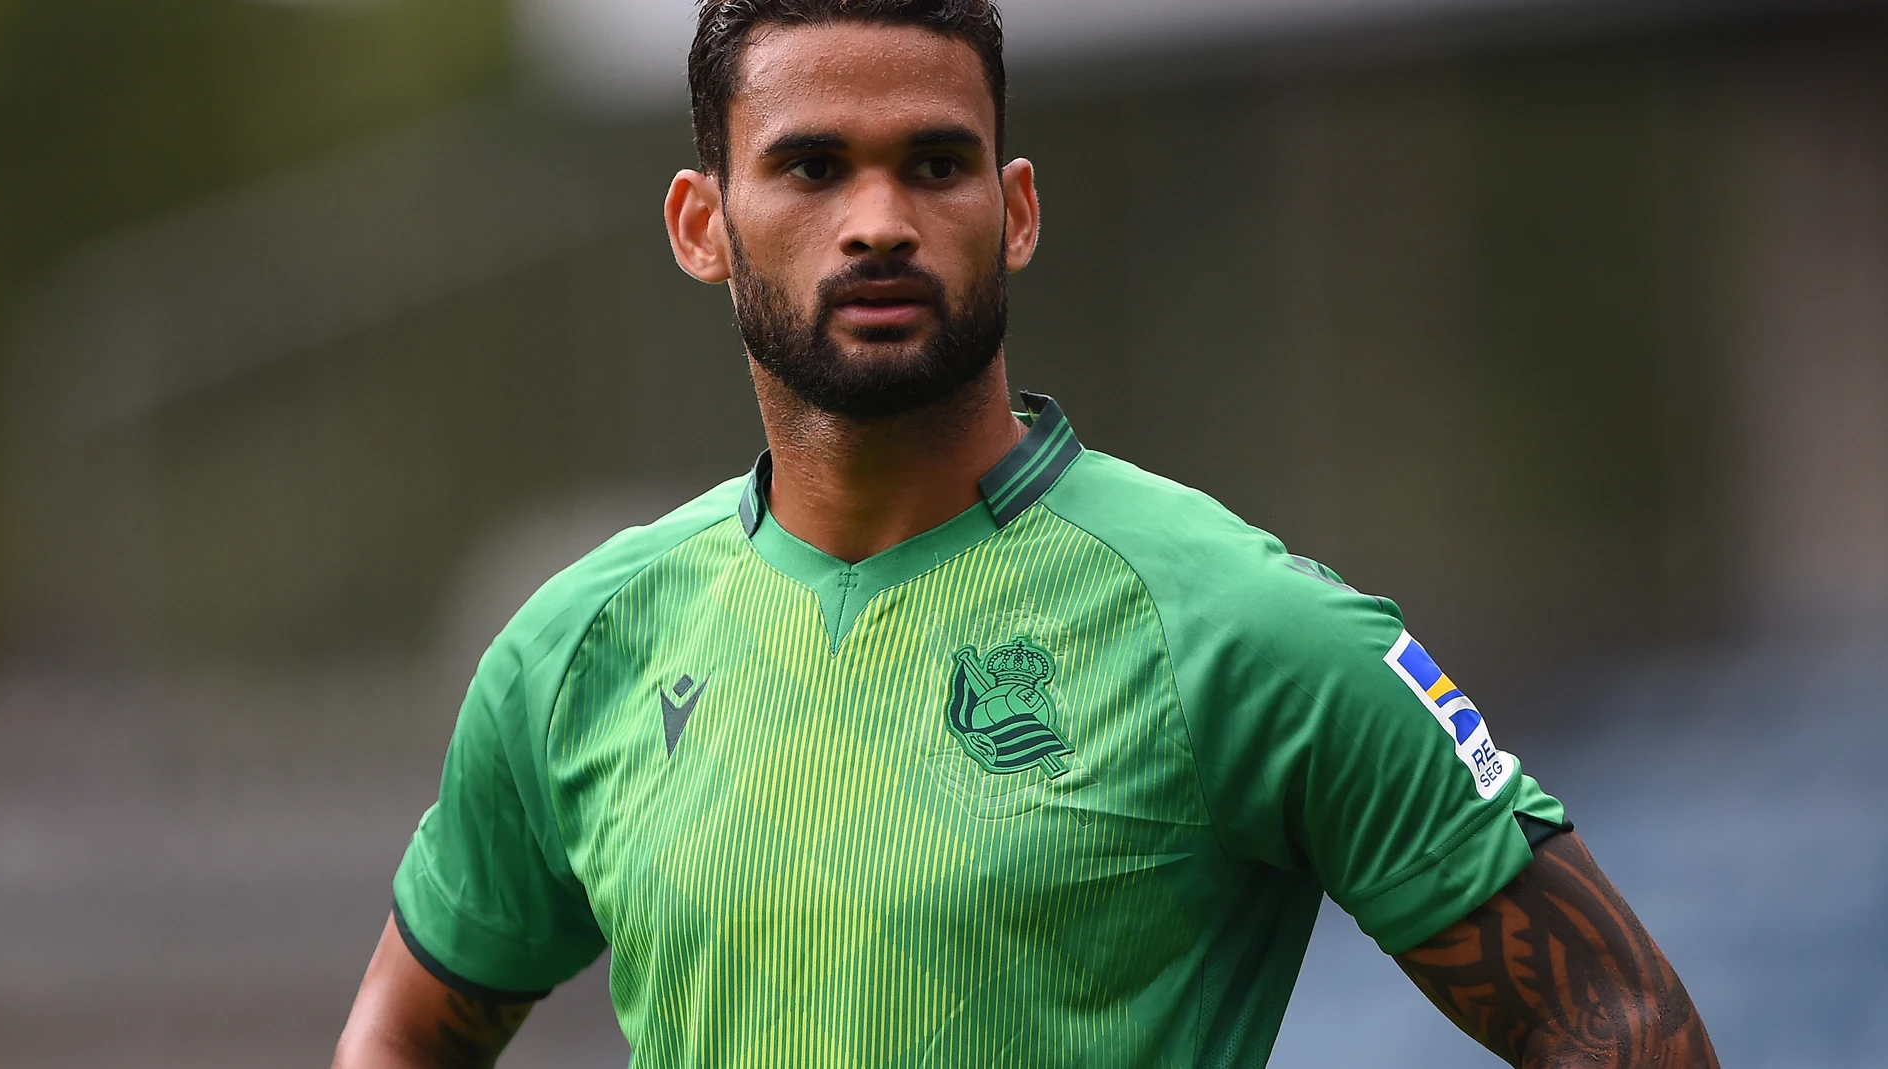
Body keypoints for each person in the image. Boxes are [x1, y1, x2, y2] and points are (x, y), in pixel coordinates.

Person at [332, 2, 1719, 1066]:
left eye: (935, 164)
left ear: (1016, 211)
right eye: (811, 168)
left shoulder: (1240, 627)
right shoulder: (579, 648)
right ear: (704, 225)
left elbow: (1625, 1027)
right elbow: (400, 1033)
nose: (879, 223)